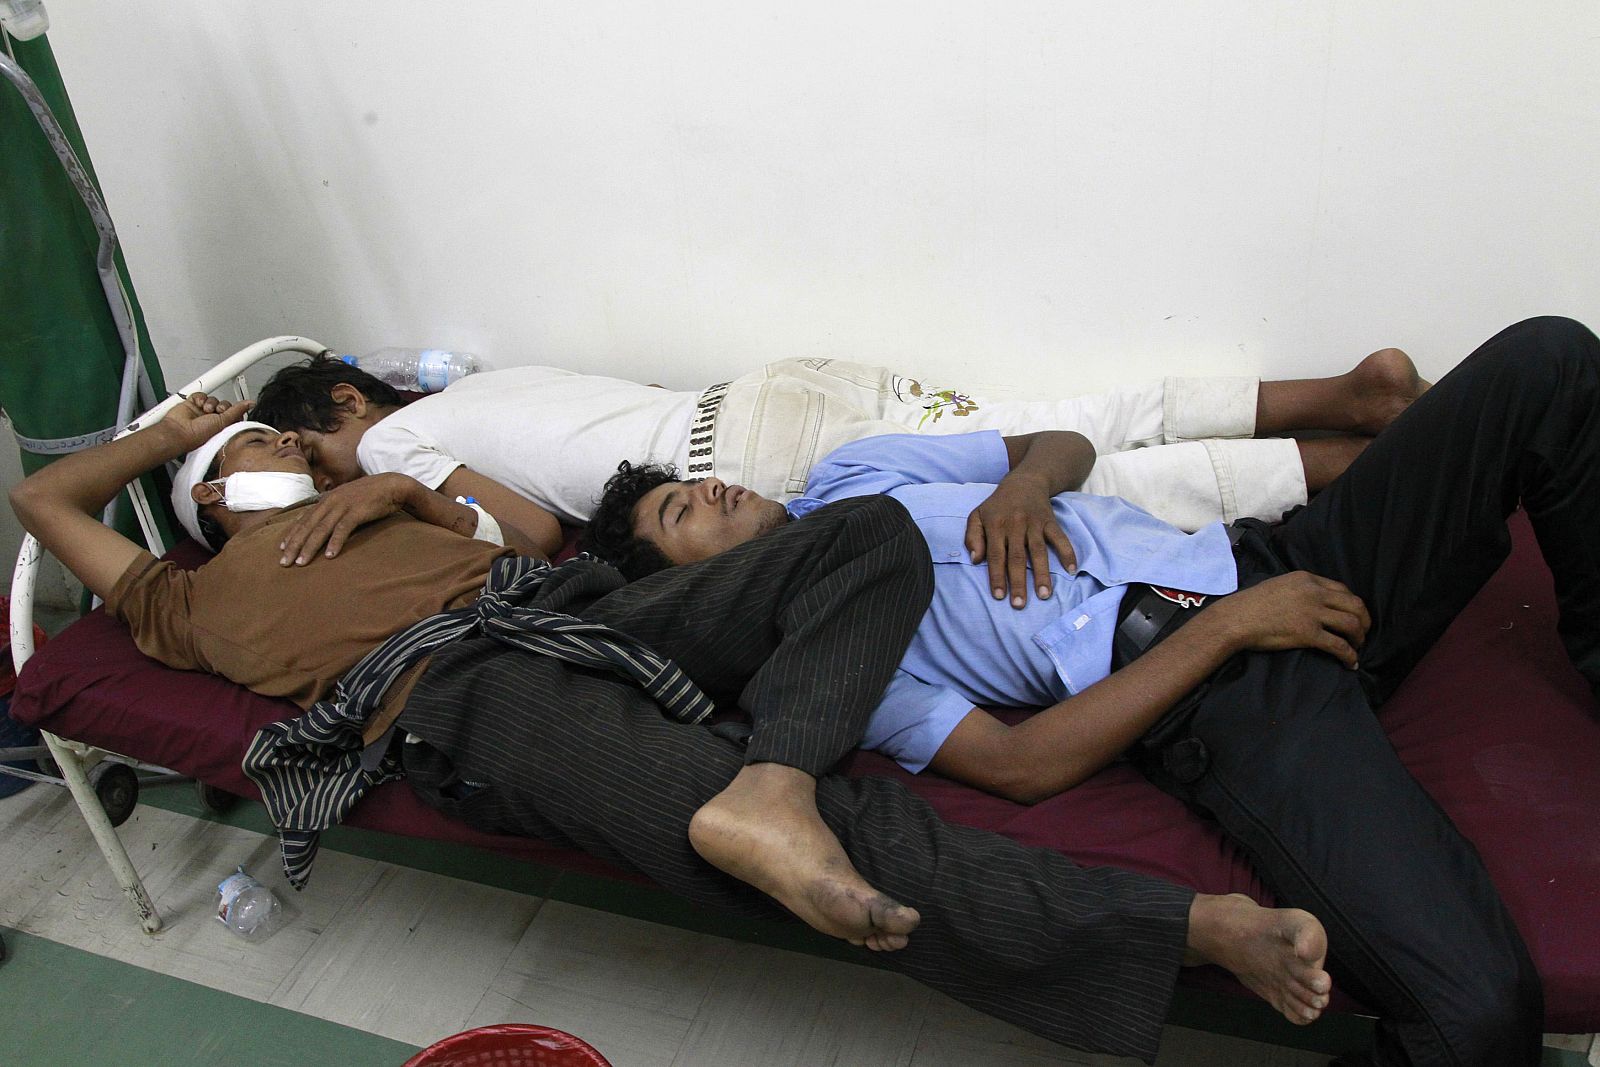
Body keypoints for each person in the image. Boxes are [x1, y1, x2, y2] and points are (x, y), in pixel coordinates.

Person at [9, 391, 1333, 1063]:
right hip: (467, 691)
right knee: (853, 843)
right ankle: (1181, 926)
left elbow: (538, 533)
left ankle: (771, 779)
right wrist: (176, 428)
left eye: (290, 436)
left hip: (581, 609)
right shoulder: (182, 597)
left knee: (866, 533)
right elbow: (45, 501)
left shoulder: (379, 497)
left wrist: (389, 486)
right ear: (209, 497)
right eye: (260, 445)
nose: (292, 448)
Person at [584, 316, 1600, 1067]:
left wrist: (1024, 485)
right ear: (695, 588)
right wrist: (1234, 627)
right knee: (1477, 1014)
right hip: (1227, 687)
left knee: (1547, 361)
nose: (709, 486)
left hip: (1271, 556)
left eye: (693, 478)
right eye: (681, 512)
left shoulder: (854, 474)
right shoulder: (822, 660)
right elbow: (1022, 765)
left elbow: (1057, 446)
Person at [250, 350, 1426, 600]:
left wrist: (390, 489)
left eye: (313, 451)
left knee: (1087, 493)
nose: (322, 476)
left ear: (346, 407)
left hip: (740, 463)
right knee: (1055, 423)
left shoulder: (394, 439)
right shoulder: (488, 373)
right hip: (771, 393)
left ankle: (1330, 461)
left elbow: (526, 529)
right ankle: (1346, 398)